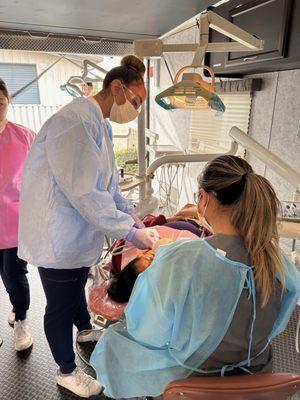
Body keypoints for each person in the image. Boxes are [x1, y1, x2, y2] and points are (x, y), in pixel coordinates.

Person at [90, 155, 300, 399]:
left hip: (194, 380)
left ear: (203, 198)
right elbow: (275, 323)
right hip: (258, 377)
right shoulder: (277, 260)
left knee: (113, 345)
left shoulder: (180, 259)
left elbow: (148, 332)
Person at [18, 55, 157, 398]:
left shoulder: (99, 124)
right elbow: (86, 194)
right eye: (136, 101)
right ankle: (66, 371)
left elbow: (107, 187)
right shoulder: (75, 123)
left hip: (77, 236)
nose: (135, 110)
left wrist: (132, 215)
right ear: (116, 87)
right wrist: (129, 231)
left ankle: (84, 332)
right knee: (59, 306)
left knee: (77, 289)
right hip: (58, 237)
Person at [0, 79, 35, 351]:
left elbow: (41, 176)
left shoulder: (24, 136)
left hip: (15, 224)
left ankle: (21, 318)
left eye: (0, 103)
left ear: (8, 101)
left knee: (14, 276)